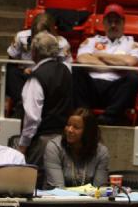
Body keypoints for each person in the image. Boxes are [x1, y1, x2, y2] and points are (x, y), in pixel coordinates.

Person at [73, 4, 138, 125]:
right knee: (76, 70)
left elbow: (129, 63)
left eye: (116, 21)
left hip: (115, 89)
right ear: (103, 23)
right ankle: (84, 116)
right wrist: (116, 65)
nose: (113, 25)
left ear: (123, 23)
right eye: (109, 21)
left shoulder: (132, 44)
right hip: (92, 87)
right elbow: (81, 60)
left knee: (133, 78)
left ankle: (109, 117)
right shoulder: (92, 41)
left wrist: (98, 55)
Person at [18, 32, 74, 167]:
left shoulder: (37, 77)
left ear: (34, 52)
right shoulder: (66, 71)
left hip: (43, 142)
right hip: (65, 140)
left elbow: (32, 118)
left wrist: (23, 146)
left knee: (34, 183)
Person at [6, 12, 71, 114]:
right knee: (11, 72)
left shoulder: (61, 43)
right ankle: (22, 104)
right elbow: (11, 59)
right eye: (36, 33)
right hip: (25, 75)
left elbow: (66, 68)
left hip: (48, 79)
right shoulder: (21, 37)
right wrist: (23, 70)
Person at [43, 108, 109, 189]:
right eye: (68, 125)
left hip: (90, 201)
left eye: (76, 127)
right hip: (58, 200)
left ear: (88, 132)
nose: (69, 130)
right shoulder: (54, 147)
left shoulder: (101, 152)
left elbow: (99, 189)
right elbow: (58, 188)